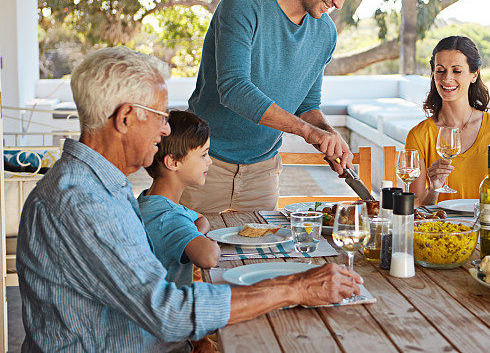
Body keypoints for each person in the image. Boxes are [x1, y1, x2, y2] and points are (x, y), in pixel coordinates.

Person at [16, 47, 362, 352]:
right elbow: (168, 312)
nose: (166, 130)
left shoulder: (100, 183)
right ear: (124, 118)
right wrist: (294, 287)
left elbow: (146, 294)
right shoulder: (81, 202)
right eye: (160, 117)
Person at [183, 0, 369, 213]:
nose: (339, 4)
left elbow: (307, 106)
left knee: (263, 256)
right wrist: (309, 134)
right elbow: (233, 89)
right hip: (203, 162)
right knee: (192, 255)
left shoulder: (325, 34)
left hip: (263, 174)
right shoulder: (245, 4)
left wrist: (329, 135)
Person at [406, 36, 490, 204]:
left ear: (474, 74)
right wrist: (434, 188)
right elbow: (415, 209)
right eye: (440, 70)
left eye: (456, 70)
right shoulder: (419, 136)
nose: (446, 78)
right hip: (443, 228)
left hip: (488, 227)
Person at [140, 110, 220, 287]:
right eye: (203, 154)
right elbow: (208, 258)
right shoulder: (168, 217)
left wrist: (194, 235)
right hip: (168, 309)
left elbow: (200, 218)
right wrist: (206, 243)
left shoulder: (150, 201)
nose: (210, 161)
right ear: (174, 162)